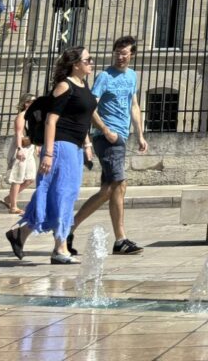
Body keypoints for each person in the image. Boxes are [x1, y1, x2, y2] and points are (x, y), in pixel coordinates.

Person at [5, 46, 98, 265]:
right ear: (75, 64)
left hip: (74, 147)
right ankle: (60, 247)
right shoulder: (64, 85)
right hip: (60, 146)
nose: (91, 63)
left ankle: (22, 233)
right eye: (88, 59)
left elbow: (81, 119)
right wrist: (47, 153)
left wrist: (87, 143)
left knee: (62, 194)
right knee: (63, 195)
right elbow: (51, 121)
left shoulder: (83, 84)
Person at [70, 36, 149, 255]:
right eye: (117, 52)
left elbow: (134, 105)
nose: (120, 56)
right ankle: (120, 239)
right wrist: (105, 130)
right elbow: (90, 106)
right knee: (119, 184)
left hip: (121, 136)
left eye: (125, 53)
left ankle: (69, 227)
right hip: (106, 137)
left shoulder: (132, 76)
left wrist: (140, 134)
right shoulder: (104, 76)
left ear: (132, 55)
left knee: (107, 191)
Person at [2, 94, 37, 213]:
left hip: (30, 148)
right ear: (24, 103)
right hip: (21, 147)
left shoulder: (33, 117)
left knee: (30, 178)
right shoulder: (22, 116)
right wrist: (19, 148)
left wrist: (37, 146)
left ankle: (8, 199)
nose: (32, 103)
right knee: (18, 177)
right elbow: (18, 133)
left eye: (34, 101)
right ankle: (13, 206)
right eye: (30, 101)